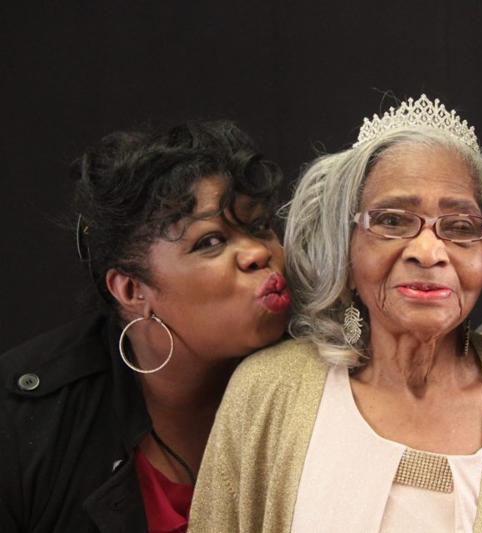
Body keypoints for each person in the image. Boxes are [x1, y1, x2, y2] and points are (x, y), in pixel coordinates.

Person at [189, 95, 482, 532]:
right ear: (346, 248)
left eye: (460, 227)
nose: (428, 252)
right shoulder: (268, 390)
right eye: (392, 222)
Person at [0, 121, 290, 533]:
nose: (258, 252)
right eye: (210, 242)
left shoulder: (325, 379)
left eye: (259, 226)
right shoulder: (22, 421)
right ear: (132, 290)